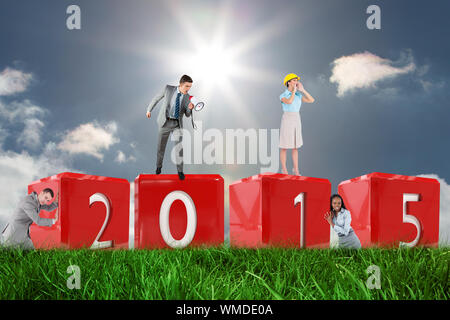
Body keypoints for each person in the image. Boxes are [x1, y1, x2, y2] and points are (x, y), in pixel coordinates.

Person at [146, 75, 195, 180]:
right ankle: (159, 167)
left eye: (190, 87)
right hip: (164, 122)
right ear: (181, 84)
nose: (188, 89)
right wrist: (149, 110)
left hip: (177, 124)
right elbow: (156, 98)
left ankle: (180, 171)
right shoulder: (168, 88)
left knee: (179, 149)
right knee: (161, 148)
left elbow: (187, 114)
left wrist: (190, 108)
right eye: (187, 86)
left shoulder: (188, 97)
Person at [279, 73, 315, 175]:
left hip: (296, 118)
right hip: (287, 118)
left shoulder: (299, 95)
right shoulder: (283, 95)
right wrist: (294, 92)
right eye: (294, 80)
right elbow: (289, 102)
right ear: (289, 82)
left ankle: (296, 169)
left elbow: (312, 100)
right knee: (284, 146)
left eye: (296, 80)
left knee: (295, 146)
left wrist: (302, 90)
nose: (296, 82)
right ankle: (284, 170)